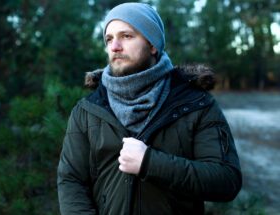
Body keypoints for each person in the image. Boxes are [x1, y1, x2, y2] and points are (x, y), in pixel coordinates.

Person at [57, 2, 242, 215]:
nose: (115, 46)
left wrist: (149, 162)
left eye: (126, 36)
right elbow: (71, 180)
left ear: (153, 44)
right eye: (109, 39)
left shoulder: (195, 105)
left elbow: (226, 180)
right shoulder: (88, 110)